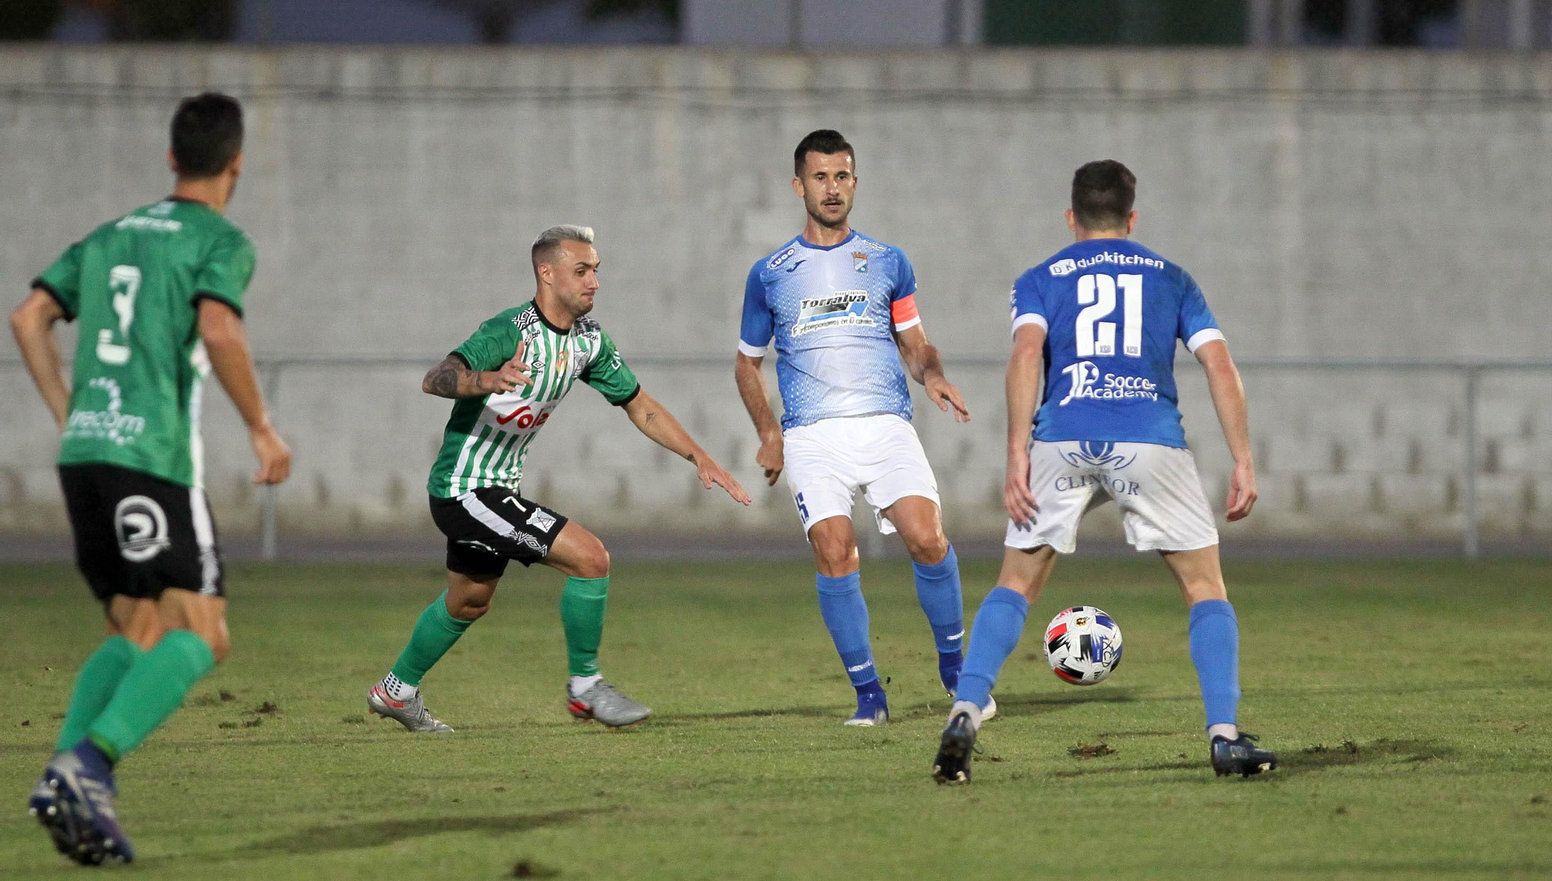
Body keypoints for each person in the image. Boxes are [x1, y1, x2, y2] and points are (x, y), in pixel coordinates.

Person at [931, 159, 1276, 784]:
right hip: (1148, 439)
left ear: (1071, 217)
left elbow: (1027, 352)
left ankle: (964, 713)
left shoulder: (1040, 278)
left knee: (1017, 583)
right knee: (1205, 588)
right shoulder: (1172, 278)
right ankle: (1225, 737)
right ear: (1132, 217)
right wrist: (1244, 459)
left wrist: (1015, 453)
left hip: (1061, 438)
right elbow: (1219, 366)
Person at [15, 92, 293, 863]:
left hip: (85, 455)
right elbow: (217, 326)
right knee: (203, 634)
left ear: (172, 158)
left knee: (135, 626)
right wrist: (262, 427)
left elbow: (28, 317)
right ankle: (88, 764)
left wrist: (69, 411)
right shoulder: (220, 239)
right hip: (152, 461)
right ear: (235, 165)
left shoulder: (108, 236)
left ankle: (63, 781)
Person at [366, 224, 749, 732]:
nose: (594, 281)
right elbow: (435, 377)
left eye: (596, 271)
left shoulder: (588, 342)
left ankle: (395, 692)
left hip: (497, 489)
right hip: (465, 489)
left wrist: (698, 455)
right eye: (582, 270)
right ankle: (585, 689)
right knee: (591, 558)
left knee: (470, 600)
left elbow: (640, 405)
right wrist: (486, 379)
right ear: (546, 273)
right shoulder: (510, 331)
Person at [735, 130, 991, 727]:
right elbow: (747, 362)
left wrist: (933, 377)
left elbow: (915, 342)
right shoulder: (770, 273)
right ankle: (869, 696)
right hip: (811, 434)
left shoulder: (888, 261)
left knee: (927, 538)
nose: (832, 188)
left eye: (842, 176)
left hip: (884, 425)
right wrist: (769, 433)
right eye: (820, 177)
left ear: (855, 182)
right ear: (799, 185)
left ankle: (955, 670)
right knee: (834, 550)